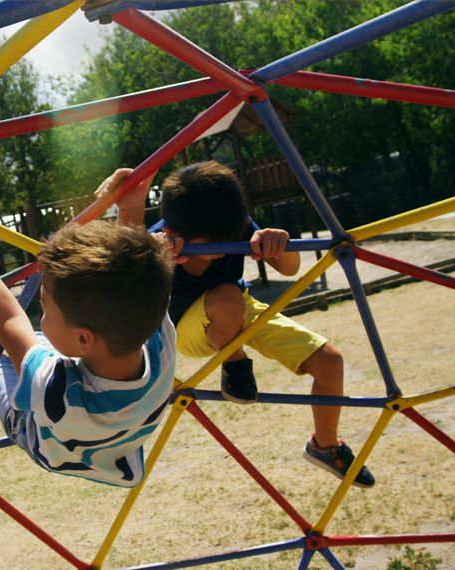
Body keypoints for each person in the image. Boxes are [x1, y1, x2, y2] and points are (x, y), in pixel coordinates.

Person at [137, 161, 375, 488]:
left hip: (238, 308)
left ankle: (325, 444)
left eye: (230, 239)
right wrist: (154, 257)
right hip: (184, 328)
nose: (224, 248)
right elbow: (124, 294)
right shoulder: (160, 241)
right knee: (226, 298)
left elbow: (290, 268)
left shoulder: (232, 221)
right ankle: (234, 365)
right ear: (176, 234)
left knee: (330, 362)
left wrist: (278, 243)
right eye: (214, 245)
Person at [0, 176, 177, 487]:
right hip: (123, 434)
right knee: (39, 347)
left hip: (50, 447)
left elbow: (9, 322)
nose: (39, 316)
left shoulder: (56, 389)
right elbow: (129, 273)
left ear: (84, 339)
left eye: (44, 310)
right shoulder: (159, 337)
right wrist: (133, 206)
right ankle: (113, 457)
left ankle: (92, 450)